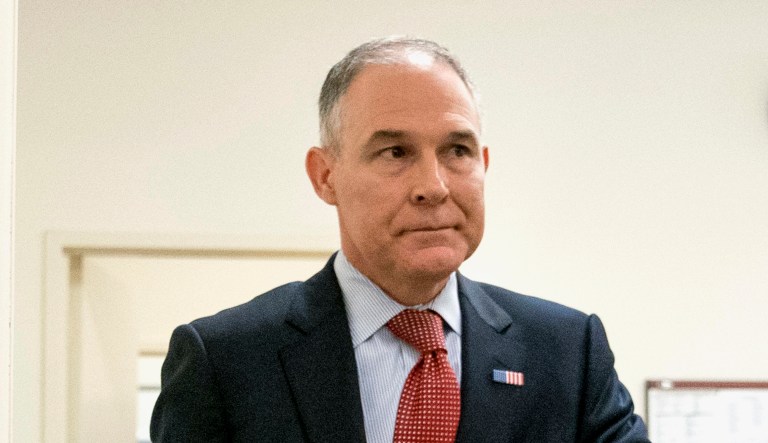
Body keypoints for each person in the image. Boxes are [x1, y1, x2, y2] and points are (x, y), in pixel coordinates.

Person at [150, 36, 649, 442]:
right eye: (394, 152)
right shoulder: (226, 361)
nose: (433, 186)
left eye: (457, 150)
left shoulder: (567, 352)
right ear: (325, 176)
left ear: (484, 166)